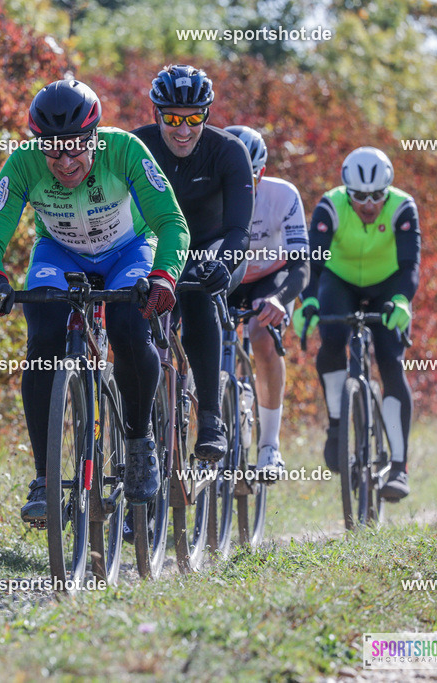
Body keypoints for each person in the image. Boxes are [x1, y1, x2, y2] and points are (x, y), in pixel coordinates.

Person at [0, 79, 190, 523]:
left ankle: (140, 442)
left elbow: (171, 222)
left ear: (94, 137)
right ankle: (44, 478)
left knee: (130, 326)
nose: (65, 161)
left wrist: (164, 276)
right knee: (43, 338)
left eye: (75, 148)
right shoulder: (23, 165)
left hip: (127, 253)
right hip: (60, 254)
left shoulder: (126, 151)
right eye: (53, 150)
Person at [132, 65, 254, 462]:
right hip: (159, 246)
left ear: (206, 115)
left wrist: (224, 262)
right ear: (156, 114)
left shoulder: (228, 151)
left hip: (212, 248)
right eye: (171, 119)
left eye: (193, 119)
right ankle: (140, 427)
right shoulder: (138, 146)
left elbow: (239, 230)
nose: (182, 130)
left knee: (200, 292)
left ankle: (211, 417)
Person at [292, 147, 420, 500]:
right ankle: (337, 425)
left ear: (388, 190)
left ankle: (398, 466)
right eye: (359, 196)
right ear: (347, 191)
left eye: (377, 195)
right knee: (332, 340)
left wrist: (401, 300)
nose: (368, 203)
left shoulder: (403, 207)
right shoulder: (330, 206)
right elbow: (313, 262)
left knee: (392, 362)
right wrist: (310, 301)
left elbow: (410, 265)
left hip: (388, 285)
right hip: (341, 281)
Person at [224, 125, 309, 478]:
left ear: (261, 172)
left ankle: (269, 446)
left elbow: (302, 262)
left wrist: (279, 299)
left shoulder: (283, 195)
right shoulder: (207, 193)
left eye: (251, 177)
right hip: (227, 276)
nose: (243, 186)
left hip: (269, 279)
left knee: (262, 334)